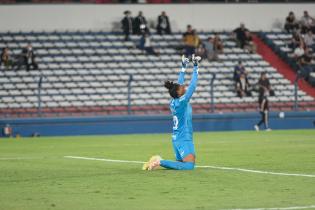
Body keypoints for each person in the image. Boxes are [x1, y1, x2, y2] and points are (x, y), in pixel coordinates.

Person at [142, 54, 201, 171]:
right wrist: (195, 67)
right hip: (184, 137)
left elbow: (178, 84)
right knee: (189, 166)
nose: (183, 87)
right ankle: (159, 161)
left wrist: (183, 67)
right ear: (179, 93)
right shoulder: (182, 101)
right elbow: (193, 86)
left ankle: (160, 161)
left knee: (180, 164)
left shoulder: (174, 101)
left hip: (176, 138)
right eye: (181, 88)